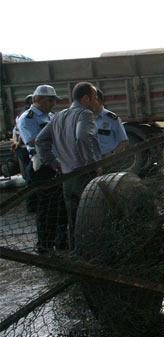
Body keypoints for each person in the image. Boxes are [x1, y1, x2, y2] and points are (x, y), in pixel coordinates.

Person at [36, 82, 102, 249]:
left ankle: (76, 253)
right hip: (84, 176)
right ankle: (92, 255)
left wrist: (54, 163)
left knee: (73, 220)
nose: (96, 102)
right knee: (91, 217)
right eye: (94, 98)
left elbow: (40, 140)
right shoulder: (85, 114)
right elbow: (82, 137)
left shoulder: (58, 116)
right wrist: (92, 165)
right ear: (86, 98)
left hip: (66, 177)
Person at [16, 87, 66, 252]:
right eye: (50, 100)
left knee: (59, 207)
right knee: (46, 209)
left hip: (55, 164)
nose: (53, 104)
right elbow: (32, 140)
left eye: (54, 100)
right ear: (38, 99)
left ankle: (60, 242)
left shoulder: (50, 116)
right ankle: (44, 245)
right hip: (41, 166)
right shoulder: (28, 118)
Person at [95, 89, 128, 156]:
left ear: (100, 101)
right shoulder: (85, 118)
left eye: (92, 100)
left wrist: (112, 156)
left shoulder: (111, 118)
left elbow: (124, 141)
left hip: (107, 160)